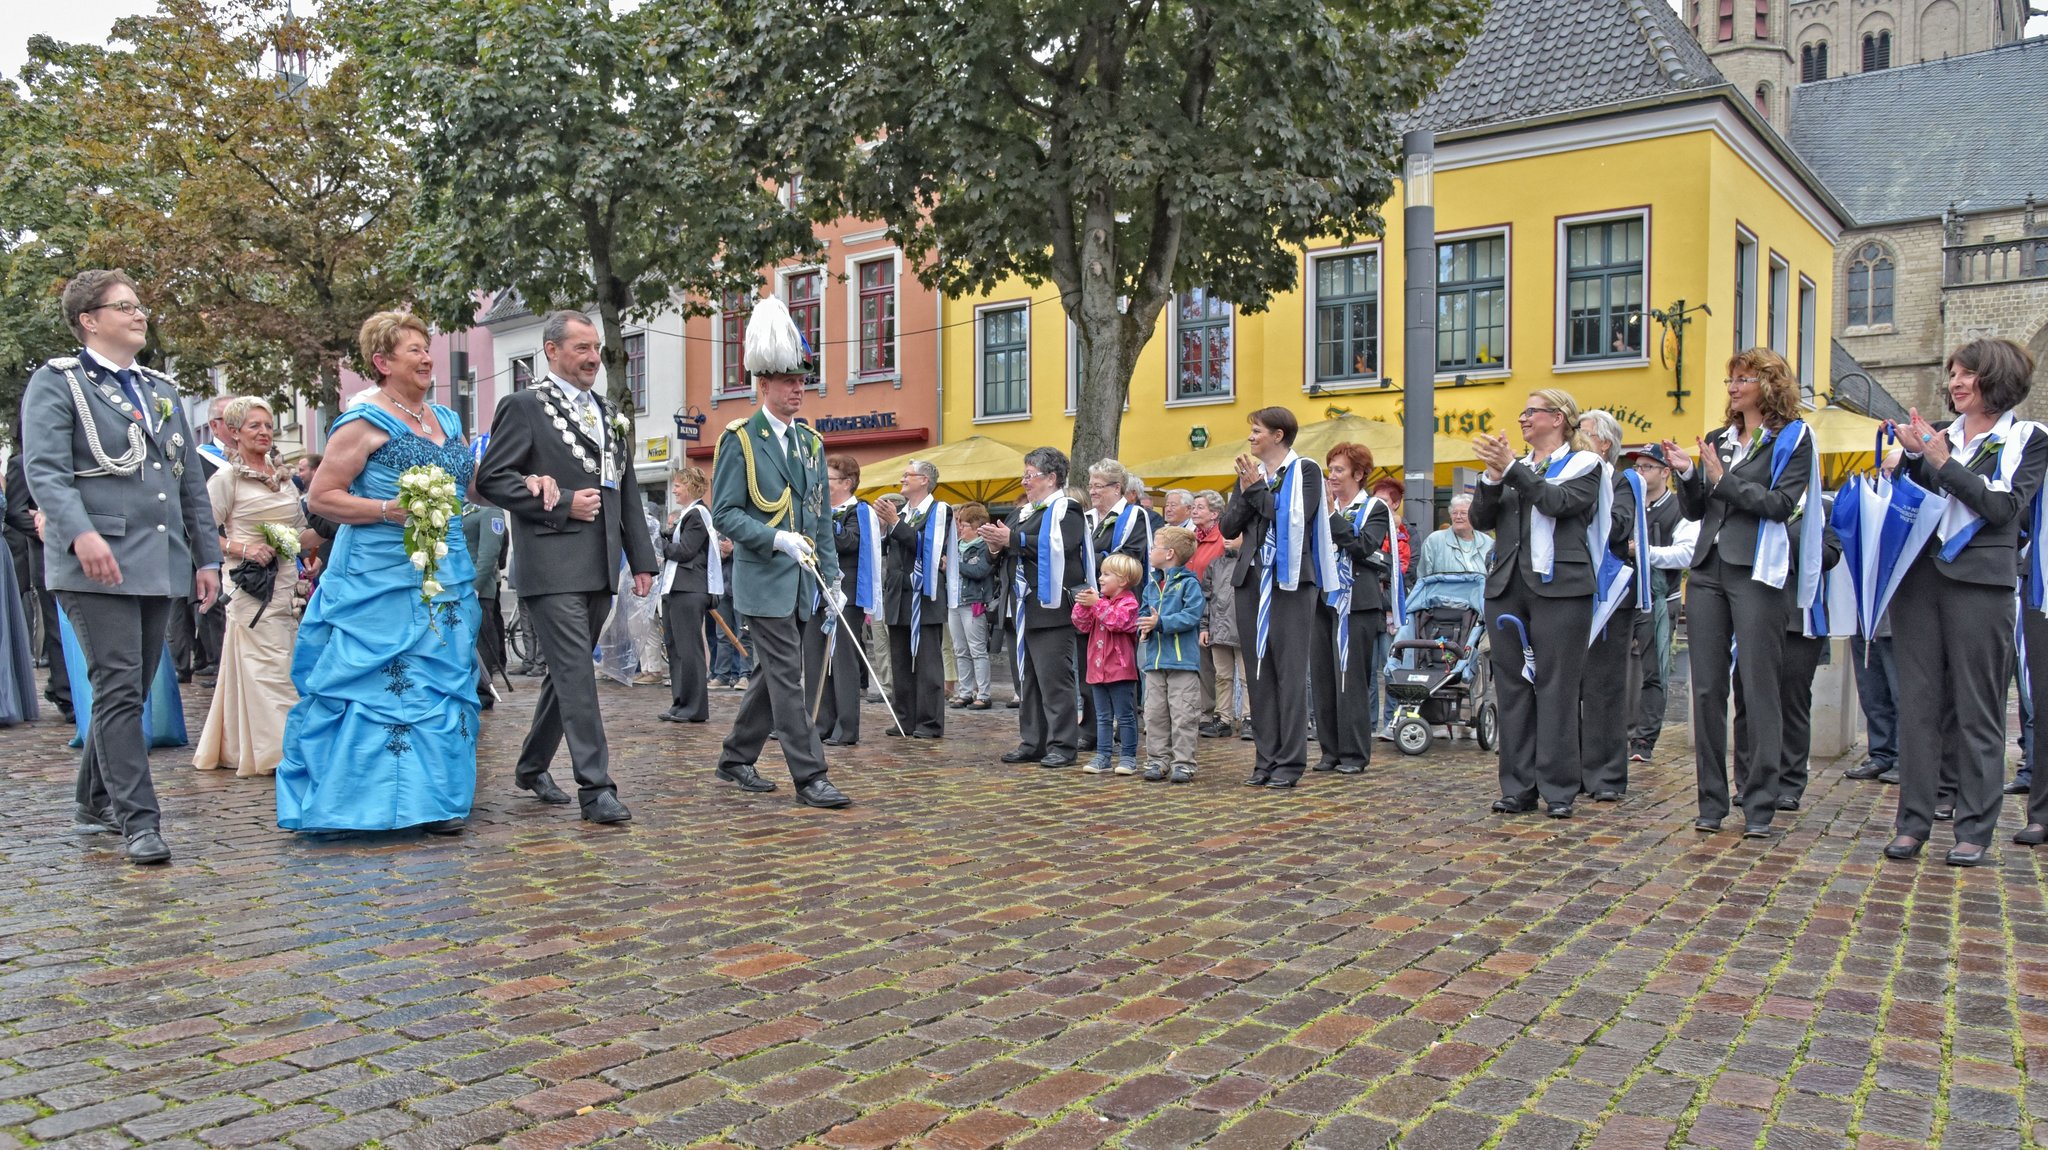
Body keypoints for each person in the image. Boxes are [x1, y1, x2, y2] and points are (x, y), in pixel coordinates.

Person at [22, 269, 221, 863]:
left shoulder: (159, 387)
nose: (139, 314)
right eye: (125, 306)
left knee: (130, 688)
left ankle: (93, 797)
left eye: (139, 304)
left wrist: (206, 557)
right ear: (89, 319)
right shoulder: (58, 382)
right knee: (116, 683)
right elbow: (47, 473)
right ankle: (140, 820)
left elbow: (189, 484)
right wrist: (79, 534)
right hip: (96, 558)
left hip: (158, 559)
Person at [278, 311, 482, 836]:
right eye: (412, 349)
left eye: (426, 347)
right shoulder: (363, 422)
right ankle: (361, 804)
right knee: (377, 687)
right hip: (379, 575)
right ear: (382, 362)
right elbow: (323, 498)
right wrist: (391, 510)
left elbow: (474, 487)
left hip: (447, 574)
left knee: (440, 684)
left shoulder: (449, 422)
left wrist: (533, 482)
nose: (426, 357)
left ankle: (434, 801)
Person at [477, 309, 656, 824]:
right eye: (582, 348)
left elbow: (624, 491)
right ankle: (596, 788)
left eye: (596, 348)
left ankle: (532, 765)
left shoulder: (610, 412)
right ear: (552, 351)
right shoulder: (523, 406)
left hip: (600, 564)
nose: (593, 358)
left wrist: (640, 559)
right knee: (577, 671)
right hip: (551, 564)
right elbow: (494, 479)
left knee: (565, 673)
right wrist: (559, 504)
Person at [1884, 339, 2046, 864]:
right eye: (1952, 373)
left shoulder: (2028, 438)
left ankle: (1974, 829)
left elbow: (2005, 509)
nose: (1954, 382)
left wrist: (1941, 459)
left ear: (1995, 379)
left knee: (1979, 711)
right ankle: (1913, 821)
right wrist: (1910, 456)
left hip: (1980, 584)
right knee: (1920, 705)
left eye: (1967, 374)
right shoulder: (1939, 432)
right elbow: (1914, 500)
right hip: (1919, 582)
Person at [1661, 348, 1818, 839]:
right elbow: (1694, 511)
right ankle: (1710, 802)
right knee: (1707, 689)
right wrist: (1688, 474)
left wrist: (1721, 480)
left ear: (1769, 384)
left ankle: (1760, 803)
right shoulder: (1717, 440)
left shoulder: (1793, 439)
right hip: (1708, 569)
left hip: (1757, 571)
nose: (1732, 387)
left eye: (1743, 378)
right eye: (1730, 379)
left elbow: (1780, 505)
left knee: (1758, 686)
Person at [707, 296, 850, 808]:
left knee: (772, 676)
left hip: (803, 583)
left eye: (801, 380)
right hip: (763, 580)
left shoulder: (811, 444)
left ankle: (735, 757)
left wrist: (832, 579)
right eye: (788, 381)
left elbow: (821, 519)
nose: (797, 389)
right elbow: (724, 513)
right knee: (790, 676)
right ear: (763, 384)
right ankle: (810, 775)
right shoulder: (740, 440)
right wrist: (775, 538)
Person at [1470, 389, 1603, 819]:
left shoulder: (1586, 465)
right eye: (1523, 412)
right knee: (1511, 688)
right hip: (1508, 585)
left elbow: (1558, 502)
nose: (1524, 418)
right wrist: (1493, 478)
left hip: (1561, 586)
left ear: (1559, 418)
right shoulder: (1517, 468)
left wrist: (1510, 469)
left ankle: (1560, 788)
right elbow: (1480, 521)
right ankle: (1517, 787)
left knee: (1558, 687)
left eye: (1532, 412)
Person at [194, 396, 306, 778]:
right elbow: (202, 531)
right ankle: (281, 751)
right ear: (235, 433)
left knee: (281, 659)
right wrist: (244, 548)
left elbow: (300, 528)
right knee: (269, 663)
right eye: (254, 426)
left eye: (268, 425)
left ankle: (238, 743)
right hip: (250, 586)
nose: (263, 432)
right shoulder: (226, 479)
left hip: (289, 580)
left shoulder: (284, 478)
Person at [1221, 407, 1332, 789]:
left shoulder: (1307, 472)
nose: (1251, 438)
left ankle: (1289, 762)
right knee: (1258, 674)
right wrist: (1245, 489)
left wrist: (1255, 490)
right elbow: (1228, 526)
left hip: (1291, 583)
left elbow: (1289, 520)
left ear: (1279, 435)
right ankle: (1264, 760)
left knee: (1288, 672)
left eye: (1257, 431)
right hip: (1251, 582)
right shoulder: (1252, 475)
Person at [983, 447, 1089, 768]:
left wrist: (1010, 540)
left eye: (1030, 475)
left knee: (1054, 680)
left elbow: (1061, 545)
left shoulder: (1066, 509)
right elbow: (1007, 550)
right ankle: (1033, 741)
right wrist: (993, 547)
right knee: (1027, 681)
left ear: (1052, 477)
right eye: (1025, 475)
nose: (1024, 482)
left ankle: (1063, 744)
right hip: (1023, 606)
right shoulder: (1023, 512)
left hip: (1051, 607)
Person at [1314, 442, 1393, 776]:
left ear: (1359, 474)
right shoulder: (1319, 506)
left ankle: (1354, 753)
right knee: (1323, 678)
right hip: (1322, 600)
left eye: (1339, 470)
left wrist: (1332, 517)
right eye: (1330, 469)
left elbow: (1364, 546)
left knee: (1351, 679)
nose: (1332, 475)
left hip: (1358, 602)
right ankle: (1329, 750)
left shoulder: (1373, 507)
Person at [1576, 409, 1643, 802]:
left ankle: (1606, 776)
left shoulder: (1622, 481)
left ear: (1604, 443)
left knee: (1604, 688)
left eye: (1584, 434)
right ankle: (1577, 769)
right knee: (1574, 687)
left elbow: (1619, 527)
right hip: (1574, 592)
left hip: (1611, 595)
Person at [1622, 445, 1695, 763]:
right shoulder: (1627, 503)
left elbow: (1686, 553)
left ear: (1666, 472)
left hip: (1660, 598)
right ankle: (1617, 731)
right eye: (1638, 467)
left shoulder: (1681, 508)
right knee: (1616, 667)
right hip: (1622, 597)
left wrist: (1645, 551)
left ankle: (1643, 740)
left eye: (1648, 467)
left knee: (1655, 670)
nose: (1640, 472)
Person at [876, 458, 952, 739]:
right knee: (900, 661)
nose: (903, 479)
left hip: (924, 594)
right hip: (898, 594)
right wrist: (884, 528)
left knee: (927, 662)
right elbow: (888, 550)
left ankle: (929, 722)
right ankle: (904, 718)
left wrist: (894, 522)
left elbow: (927, 548)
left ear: (925, 480)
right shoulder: (904, 513)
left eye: (909, 475)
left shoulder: (938, 510)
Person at [5, 451, 70, 720]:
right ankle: (66, 695)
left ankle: (62, 686)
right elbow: (15, 511)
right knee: (55, 628)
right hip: (46, 554)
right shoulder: (20, 463)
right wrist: (48, 530)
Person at [1140, 526, 1207, 783]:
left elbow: (1191, 615)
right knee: (1154, 714)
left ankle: (1184, 763)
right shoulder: (1152, 585)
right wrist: (1143, 627)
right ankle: (1157, 760)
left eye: (1155, 546)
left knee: (1183, 715)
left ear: (1169, 553)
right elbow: (1144, 613)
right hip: (1155, 662)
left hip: (1182, 662)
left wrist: (1160, 622)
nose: (1151, 551)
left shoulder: (1189, 584)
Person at [821, 454, 879, 745]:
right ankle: (823, 722)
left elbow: (850, 542)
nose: (823, 482)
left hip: (848, 594)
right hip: (820, 592)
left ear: (846, 483)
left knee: (843, 661)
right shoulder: (823, 509)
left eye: (828, 478)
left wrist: (823, 520)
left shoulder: (859, 511)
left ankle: (846, 728)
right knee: (820, 660)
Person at [1073, 552, 1143, 775]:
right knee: (1102, 716)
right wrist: (1083, 606)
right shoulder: (1100, 603)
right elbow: (1082, 625)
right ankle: (1103, 755)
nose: (1100, 578)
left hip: (1120, 670)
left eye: (1106, 574)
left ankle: (1128, 757)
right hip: (1097, 668)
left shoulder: (1130, 603)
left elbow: (1118, 621)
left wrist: (1096, 605)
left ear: (1122, 581)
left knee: (1125, 716)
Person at [658, 466, 717, 724]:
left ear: (691, 486)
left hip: (690, 588)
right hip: (677, 587)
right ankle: (680, 702)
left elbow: (686, 551)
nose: (674, 489)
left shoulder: (698, 513)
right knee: (675, 647)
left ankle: (694, 706)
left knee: (689, 648)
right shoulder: (688, 514)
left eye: (678, 485)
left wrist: (661, 544)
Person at [1200, 533, 1250, 740]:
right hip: (1219, 629)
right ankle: (1223, 718)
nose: (1228, 538)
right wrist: (1204, 626)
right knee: (1222, 676)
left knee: (1247, 678)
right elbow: (1207, 597)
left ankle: (1249, 717)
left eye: (1235, 534)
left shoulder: (1253, 562)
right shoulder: (1215, 564)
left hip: (1245, 630)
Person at [461, 497, 509, 709]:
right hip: (458, 586)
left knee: (482, 641)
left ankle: (483, 692)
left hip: (478, 588)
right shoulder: (463, 508)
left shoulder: (491, 510)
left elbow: (489, 553)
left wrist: (476, 585)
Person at [948, 503, 995, 709]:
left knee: (977, 649)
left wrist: (952, 565)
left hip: (973, 602)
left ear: (977, 528)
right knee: (960, 649)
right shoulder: (955, 545)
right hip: (954, 601)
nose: (960, 528)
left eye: (965, 525)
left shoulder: (984, 546)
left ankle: (983, 693)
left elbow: (980, 571)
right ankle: (965, 691)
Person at [1417, 493, 1492, 578]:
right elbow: (1422, 576)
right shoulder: (1434, 540)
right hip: (1443, 591)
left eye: (1463, 513)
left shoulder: (1488, 542)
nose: (1458, 517)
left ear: (1474, 516)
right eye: (1454, 513)